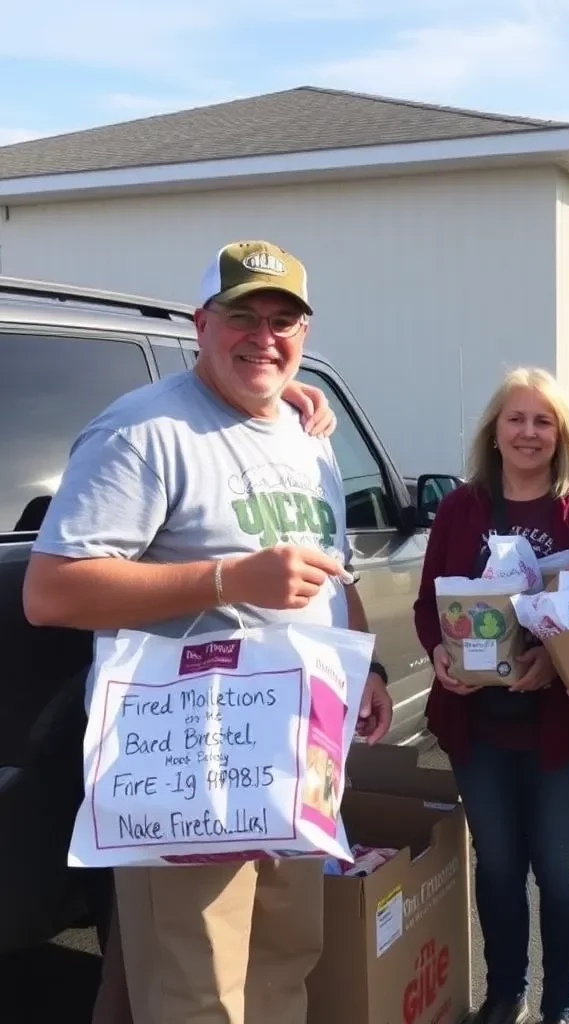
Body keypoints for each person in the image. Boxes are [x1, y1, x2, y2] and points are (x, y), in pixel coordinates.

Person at [23, 239, 393, 1024]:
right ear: (201, 324)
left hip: (295, 754)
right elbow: (49, 591)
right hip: (191, 757)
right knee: (198, 989)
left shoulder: (306, 436)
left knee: (284, 957)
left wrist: (371, 671)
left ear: (304, 332)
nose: (264, 337)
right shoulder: (143, 432)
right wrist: (227, 579)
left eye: (282, 320)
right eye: (243, 317)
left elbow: (335, 568)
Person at [413, 367, 569, 1024]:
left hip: (568, 729)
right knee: (497, 866)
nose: (529, 432)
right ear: (493, 432)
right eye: (516, 419)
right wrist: (441, 652)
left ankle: (564, 1007)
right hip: (481, 727)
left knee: (561, 873)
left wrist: (555, 666)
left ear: (561, 434)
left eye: (543, 420)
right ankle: (506, 994)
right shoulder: (461, 508)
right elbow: (427, 604)